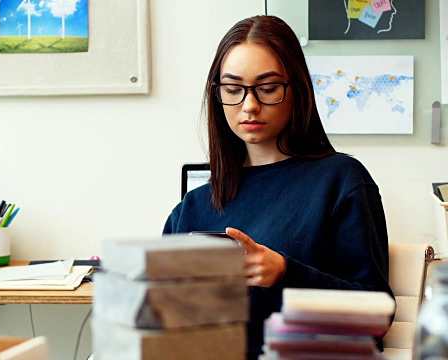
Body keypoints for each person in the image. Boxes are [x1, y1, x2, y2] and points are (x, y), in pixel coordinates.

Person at [162, 15, 393, 359]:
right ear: (217, 95)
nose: (249, 105)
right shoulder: (193, 207)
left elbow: (376, 314)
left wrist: (284, 273)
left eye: (268, 88)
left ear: (296, 89)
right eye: (233, 89)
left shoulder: (341, 180)